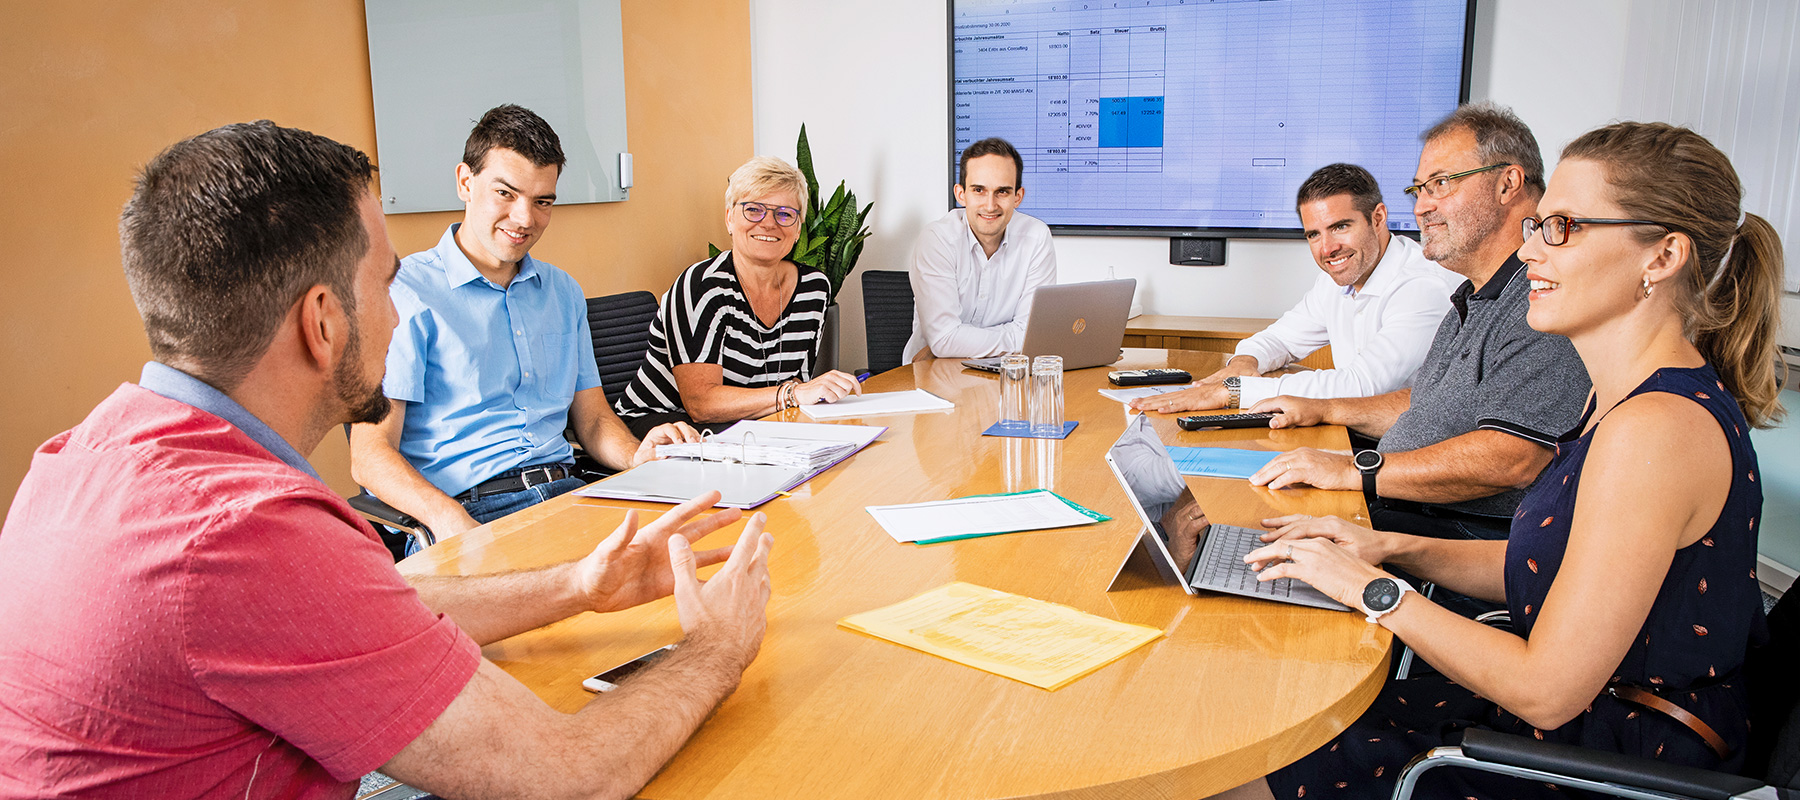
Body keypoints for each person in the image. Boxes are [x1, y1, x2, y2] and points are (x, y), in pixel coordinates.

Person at [0, 121, 775, 799]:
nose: (403, 311)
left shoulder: (81, 454)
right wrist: (717, 647)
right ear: (322, 321)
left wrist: (578, 585)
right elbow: (574, 772)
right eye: (389, 281)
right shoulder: (249, 532)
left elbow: (372, 606)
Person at [1211, 120, 1782, 800]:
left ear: (1660, 258)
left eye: (1561, 228)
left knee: (1250, 761)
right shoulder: (1624, 401)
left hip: (1604, 754)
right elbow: (1542, 564)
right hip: (1577, 721)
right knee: (1274, 721)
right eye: (1537, 225)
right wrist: (1384, 546)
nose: (1532, 250)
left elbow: (1546, 691)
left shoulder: (1655, 430)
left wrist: (1370, 589)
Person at [1196, 103, 1590, 542]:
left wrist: (1352, 470)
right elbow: (1424, 404)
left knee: (1233, 530)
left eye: (1440, 184)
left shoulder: (1541, 300)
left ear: (1507, 184)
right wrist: (1325, 408)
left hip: (1454, 533)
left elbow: (1510, 460)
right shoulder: (1472, 296)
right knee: (1213, 519)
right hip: (1403, 503)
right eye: (1418, 190)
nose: (1422, 207)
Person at [350, 105, 698, 545]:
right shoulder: (406, 293)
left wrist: (637, 455)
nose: (525, 219)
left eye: (542, 201)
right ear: (465, 181)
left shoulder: (563, 292)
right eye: (505, 194)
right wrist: (450, 520)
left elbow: (591, 421)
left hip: (570, 494)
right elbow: (369, 456)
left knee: (696, 548)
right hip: (469, 508)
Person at [1129, 163, 1460, 412]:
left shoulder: (1423, 285)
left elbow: (1361, 386)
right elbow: (1280, 339)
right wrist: (1245, 361)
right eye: (1314, 234)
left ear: (1378, 218)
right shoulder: (1340, 277)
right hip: (1352, 433)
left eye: (1340, 226)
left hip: (1406, 461)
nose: (1327, 248)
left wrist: (1234, 391)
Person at [614, 156, 861, 436]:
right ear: (730, 218)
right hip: (666, 425)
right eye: (753, 210)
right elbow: (701, 404)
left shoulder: (814, 288)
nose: (768, 223)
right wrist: (791, 394)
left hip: (753, 422)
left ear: (798, 230)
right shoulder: (701, 287)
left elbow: (796, 382)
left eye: (784, 214)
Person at [902, 136, 1058, 362]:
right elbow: (944, 339)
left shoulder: (1036, 237)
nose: (990, 205)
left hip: (1006, 371)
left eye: (1002, 192)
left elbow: (1034, 334)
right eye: (979, 190)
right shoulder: (937, 240)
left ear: (1018, 197)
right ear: (961, 194)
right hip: (933, 370)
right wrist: (1016, 337)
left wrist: (959, 340)